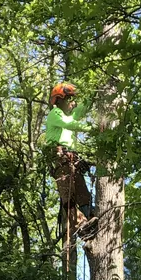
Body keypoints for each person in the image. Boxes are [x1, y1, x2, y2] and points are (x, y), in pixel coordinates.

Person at [44, 82, 98, 241]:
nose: (73, 103)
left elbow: (81, 110)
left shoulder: (69, 115)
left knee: (82, 193)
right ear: (60, 100)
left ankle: (90, 215)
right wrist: (91, 129)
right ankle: (81, 226)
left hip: (70, 160)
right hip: (59, 159)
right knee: (69, 197)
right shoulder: (56, 114)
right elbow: (70, 124)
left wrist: (94, 92)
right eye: (70, 99)